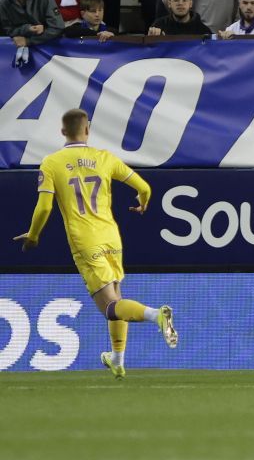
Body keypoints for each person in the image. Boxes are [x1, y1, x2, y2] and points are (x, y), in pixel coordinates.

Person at [13, 108, 177, 379]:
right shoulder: (105, 158)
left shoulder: (52, 162)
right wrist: (143, 203)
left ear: (63, 131)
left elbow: (44, 208)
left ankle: (156, 316)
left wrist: (33, 236)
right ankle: (117, 359)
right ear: (87, 130)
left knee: (110, 307)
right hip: (111, 236)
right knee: (116, 298)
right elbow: (144, 188)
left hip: (85, 239)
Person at [0, 0, 65, 53]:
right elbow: (6, 30)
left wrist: (28, 41)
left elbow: (57, 27)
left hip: (46, 49)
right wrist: (27, 29)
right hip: (14, 51)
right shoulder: (3, 2)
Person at [147, 0, 212, 35]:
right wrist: (151, 39)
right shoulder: (159, 26)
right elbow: (150, 50)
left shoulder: (203, 31)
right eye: (176, 0)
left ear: (190, 3)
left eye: (184, 0)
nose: (180, 3)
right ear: (169, 4)